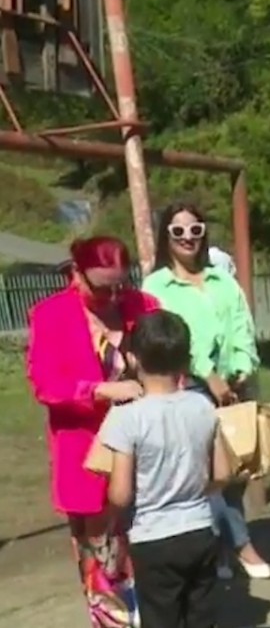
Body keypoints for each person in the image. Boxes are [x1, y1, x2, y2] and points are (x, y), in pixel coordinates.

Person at [25, 236, 160, 627]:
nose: (113, 297)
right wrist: (100, 390)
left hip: (149, 452)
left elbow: (172, 361)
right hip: (88, 456)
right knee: (103, 562)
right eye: (102, 287)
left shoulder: (145, 306)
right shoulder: (50, 315)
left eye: (121, 284)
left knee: (154, 553)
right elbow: (46, 385)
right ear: (76, 273)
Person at [141, 203, 270, 580]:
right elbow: (171, 336)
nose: (188, 238)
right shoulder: (156, 287)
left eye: (195, 230)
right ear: (166, 236)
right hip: (189, 386)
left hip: (235, 384)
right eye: (178, 231)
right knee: (204, 473)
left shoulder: (222, 280)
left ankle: (224, 549)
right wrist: (207, 373)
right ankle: (238, 545)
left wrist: (242, 365)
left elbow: (241, 324)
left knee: (235, 467)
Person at [97, 310, 232, 628]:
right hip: (200, 530)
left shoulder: (126, 417)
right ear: (186, 361)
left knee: (161, 619)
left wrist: (112, 519)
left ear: (133, 359)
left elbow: (121, 493)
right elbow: (223, 473)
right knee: (202, 618)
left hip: (152, 538)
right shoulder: (203, 406)